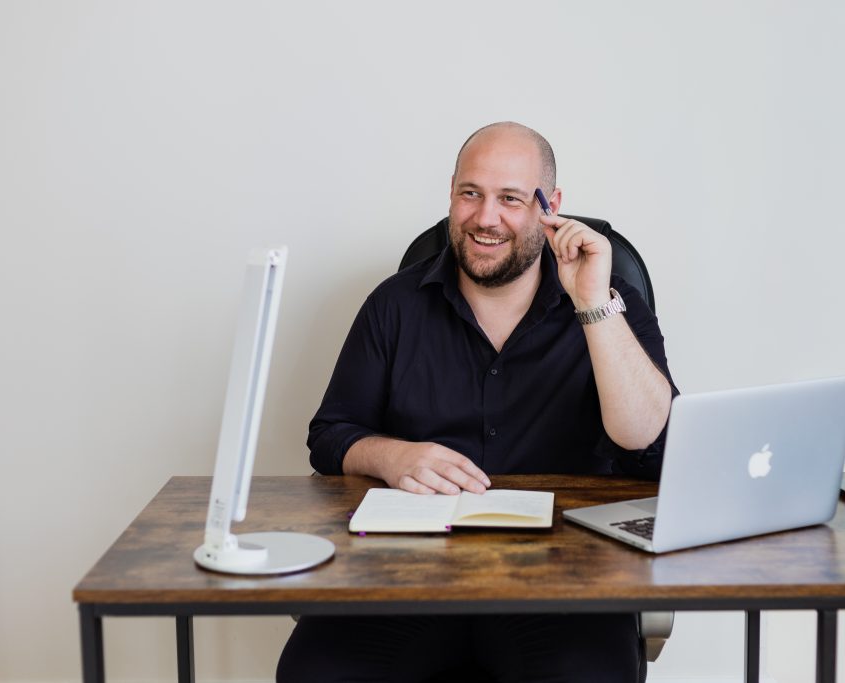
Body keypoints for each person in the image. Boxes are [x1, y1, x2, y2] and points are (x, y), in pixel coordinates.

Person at [277, 122, 679, 683]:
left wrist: (592, 302)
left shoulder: (613, 303)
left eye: (510, 198)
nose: (486, 218)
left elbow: (650, 441)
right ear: (451, 193)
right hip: (408, 574)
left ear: (550, 205)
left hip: (564, 580)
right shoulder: (394, 305)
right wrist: (391, 455)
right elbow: (330, 435)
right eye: (471, 193)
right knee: (316, 672)